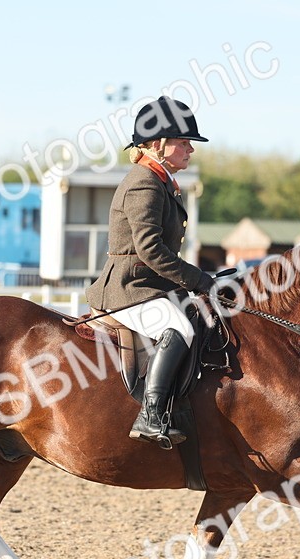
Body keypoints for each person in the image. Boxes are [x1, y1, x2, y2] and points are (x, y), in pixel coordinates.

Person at [86, 96, 214, 449]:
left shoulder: (161, 180)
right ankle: (152, 414)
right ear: (157, 145)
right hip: (129, 288)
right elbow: (151, 250)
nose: (190, 149)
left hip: (149, 285)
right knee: (179, 327)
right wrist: (200, 280)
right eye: (183, 141)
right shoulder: (144, 182)